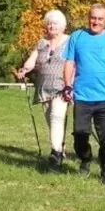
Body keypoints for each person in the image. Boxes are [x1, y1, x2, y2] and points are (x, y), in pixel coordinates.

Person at [62, 4, 105, 185]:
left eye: (100, 19)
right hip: (82, 96)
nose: (96, 22)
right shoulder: (77, 37)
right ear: (88, 17)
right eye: (93, 18)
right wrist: (67, 86)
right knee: (80, 134)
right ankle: (85, 158)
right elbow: (69, 63)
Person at [16, 10, 71, 166]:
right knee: (51, 120)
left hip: (61, 86)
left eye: (55, 23)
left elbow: (74, 62)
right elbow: (32, 60)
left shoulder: (69, 41)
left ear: (63, 26)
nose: (51, 26)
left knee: (56, 117)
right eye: (49, 23)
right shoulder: (41, 43)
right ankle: (60, 148)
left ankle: (55, 152)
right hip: (44, 87)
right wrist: (25, 69)